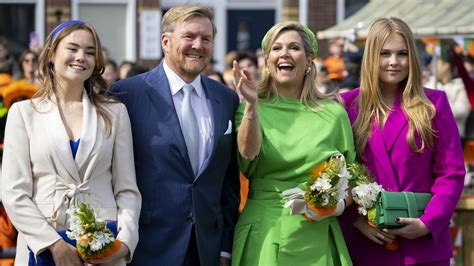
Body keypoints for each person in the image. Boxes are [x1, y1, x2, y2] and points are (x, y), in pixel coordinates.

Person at [1, 20, 141, 265]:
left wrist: (125, 243)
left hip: (102, 250)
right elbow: (13, 193)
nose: (81, 57)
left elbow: (127, 190)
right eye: (73, 49)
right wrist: (54, 245)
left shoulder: (115, 113)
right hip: (41, 247)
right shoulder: (23, 113)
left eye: (90, 52)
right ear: (52, 54)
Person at [111, 5, 240, 266]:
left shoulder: (226, 99)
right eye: (189, 36)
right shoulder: (126, 95)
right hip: (146, 248)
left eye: (206, 39)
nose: (198, 45)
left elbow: (228, 182)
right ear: (165, 41)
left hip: (207, 250)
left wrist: (225, 249)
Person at [339, 17, 465, 266]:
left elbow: (451, 172)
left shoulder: (434, 104)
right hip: (367, 245)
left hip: (423, 247)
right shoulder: (346, 106)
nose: (393, 62)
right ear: (372, 56)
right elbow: (337, 173)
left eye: (402, 54)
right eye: (385, 53)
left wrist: (429, 222)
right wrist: (355, 220)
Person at [231, 21, 356, 266]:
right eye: (276, 48)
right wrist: (252, 106)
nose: (284, 54)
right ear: (267, 60)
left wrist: (336, 206)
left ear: (309, 59)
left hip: (319, 233)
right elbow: (247, 156)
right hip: (265, 231)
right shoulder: (250, 107)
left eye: (294, 48)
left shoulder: (335, 114)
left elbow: (353, 177)